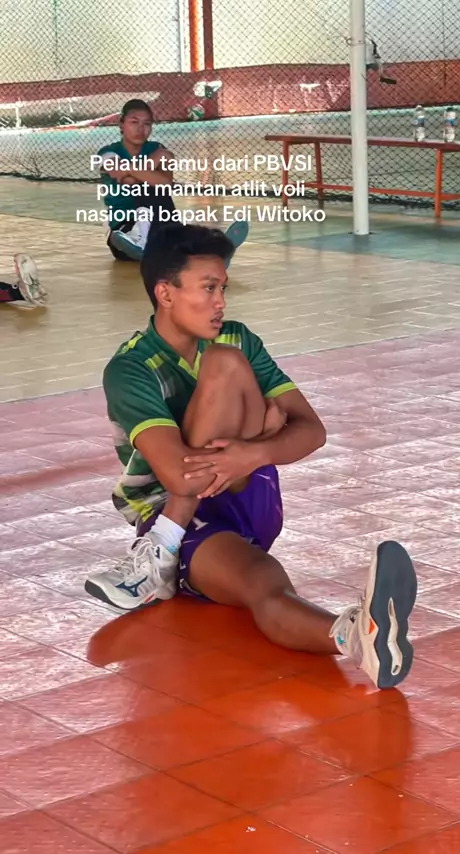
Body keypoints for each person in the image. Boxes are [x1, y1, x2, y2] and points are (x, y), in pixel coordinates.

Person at [85, 223, 417, 691]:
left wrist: (253, 451)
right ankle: (357, 638)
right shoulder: (131, 368)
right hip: (180, 511)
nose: (221, 301)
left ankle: (158, 555)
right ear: (165, 293)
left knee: (226, 361)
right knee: (266, 585)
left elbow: (312, 431)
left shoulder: (238, 339)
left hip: (247, 491)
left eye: (223, 287)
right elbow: (181, 478)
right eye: (209, 288)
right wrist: (265, 425)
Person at [96, 99, 249, 263]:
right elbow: (129, 182)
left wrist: (133, 170)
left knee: (176, 227)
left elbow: (165, 183)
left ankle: (218, 249)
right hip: (123, 231)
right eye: (134, 122)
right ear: (121, 124)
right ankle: (140, 239)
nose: (140, 129)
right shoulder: (108, 153)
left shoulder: (155, 147)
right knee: (149, 188)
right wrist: (158, 159)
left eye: (147, 124)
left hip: (160, 222)